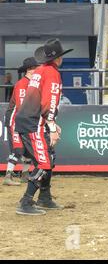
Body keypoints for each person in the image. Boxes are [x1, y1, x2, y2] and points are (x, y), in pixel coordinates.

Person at [14, 39, 71, 215]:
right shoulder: (52, 74)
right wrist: (52, 126)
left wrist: (51, 123)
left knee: (48, 158)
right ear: (58, 58)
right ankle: (26, 202)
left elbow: (42, 101)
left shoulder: (40, 71)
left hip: (29, 120)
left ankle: (44, 197)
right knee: (44, 162)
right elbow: (50, 101)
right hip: (34, 123)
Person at [2, 57, 39, 186]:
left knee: (28, 150)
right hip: (16, 120)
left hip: (23, 120)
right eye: (36, 69)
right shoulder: (22, 84)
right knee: (18, 149)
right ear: (30, 70)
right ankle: (8, 176)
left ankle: (24, 174)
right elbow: (22, 105)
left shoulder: (30, 84)